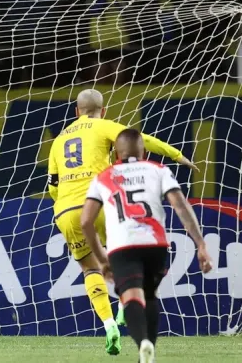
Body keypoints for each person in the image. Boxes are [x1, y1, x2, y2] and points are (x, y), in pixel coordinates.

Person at [45, 88, 196, 356]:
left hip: (67, 210)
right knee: (123, 257)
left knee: (90, 269)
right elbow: (140, 139)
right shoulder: (103, 125)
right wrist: (176, 155)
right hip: (102, 203)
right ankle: (126, 305)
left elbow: (53, 186)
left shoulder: (58, 140)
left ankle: (108, 325)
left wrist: (65, 202)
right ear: (102, 111)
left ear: (75, 111)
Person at [80, 128, 213, 363]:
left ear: (116, 153)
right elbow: (181, 206)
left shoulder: (103, 177)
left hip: (122, 246)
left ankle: (142, 343)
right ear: (142, 150)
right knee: (150, 294)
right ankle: (148, 352)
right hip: (156, 245)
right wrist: (200, 244)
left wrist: (101, 260)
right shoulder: (158, 170)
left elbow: (86, 221)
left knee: (130, 297)